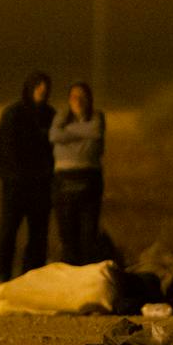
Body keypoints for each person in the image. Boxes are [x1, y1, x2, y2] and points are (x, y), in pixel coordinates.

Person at [0, 71, 54, 281]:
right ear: (30, 88)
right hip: (15, 183)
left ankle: (32, 276)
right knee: (8, 231)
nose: (42, 89)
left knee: (38, 233)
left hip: (41, 185)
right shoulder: (13, 113)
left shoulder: (50, 115)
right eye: (38, 85)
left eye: (45, 86)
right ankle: (1, 275)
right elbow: (2, 146)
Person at [49, 82, 106, 265]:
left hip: (89, 178)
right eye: (74, 96)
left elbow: (95, 132)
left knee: (88, 235)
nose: (78, 101)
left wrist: (68, 134)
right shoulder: (61, 117)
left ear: (89, 99)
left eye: (82, 96)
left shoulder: (97, 117)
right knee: (68, 235)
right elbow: (54, 135)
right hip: (64, 180)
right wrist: (82, 135)